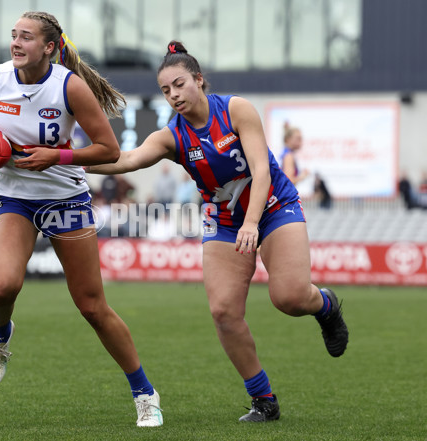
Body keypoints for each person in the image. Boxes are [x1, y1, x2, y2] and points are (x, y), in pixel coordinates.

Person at [88, 41, 349, 423]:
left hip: (275, 207)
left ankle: (325, 306)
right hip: (225, 221)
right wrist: (72, 164)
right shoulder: (172, 137)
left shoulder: (236, 110)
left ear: (199, 79)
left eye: (179, 84)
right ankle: (264, 400)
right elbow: (126, 159)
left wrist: (252, 222)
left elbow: (261, 171)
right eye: (165, 90)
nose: (173, 95)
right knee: (224, 312)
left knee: (290, 298)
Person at [0, 11, 162, 427]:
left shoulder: (69, 87)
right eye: (13, 35)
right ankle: (2, 335)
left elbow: (109, 150)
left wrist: (56, 156)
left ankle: (144, 393)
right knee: (0, 288)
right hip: (15, 198)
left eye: (25, 37)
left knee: (92, 307)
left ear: (49, 47)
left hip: (65, 197)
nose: (15, 43)